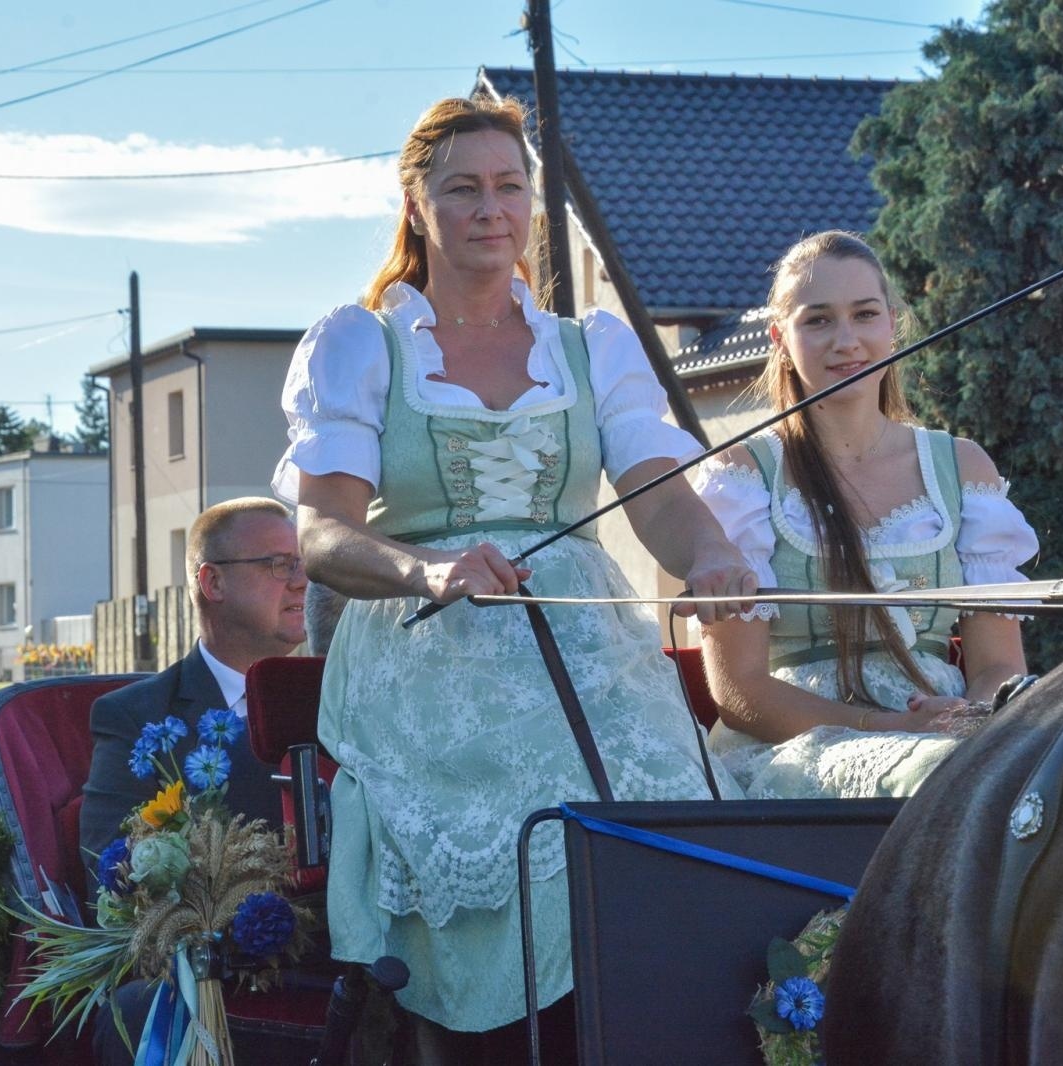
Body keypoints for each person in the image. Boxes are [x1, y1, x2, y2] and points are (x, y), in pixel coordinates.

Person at [275, 94, 757, 1062]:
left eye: (508, 185)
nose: (490, 208)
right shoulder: (361, 343)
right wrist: (426, 568)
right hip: (424, 648)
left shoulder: (590, 346)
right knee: (534, 830)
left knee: (659, 794)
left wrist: (706, 551)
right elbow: (320, 533)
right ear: (416, 206)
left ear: (533, 201)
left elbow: (657, 492)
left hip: (587, 645)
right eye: (462, 190)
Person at [694, 230, 1038, 799]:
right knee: (935, 781)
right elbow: (741, 690)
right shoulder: (745, 475)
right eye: (819, 320)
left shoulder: (962, 468)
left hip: (945, 729)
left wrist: (973, 720)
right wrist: (896, 728)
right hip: (796, 745)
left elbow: (998, 665)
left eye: (864, 314)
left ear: (893, 323)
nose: (846, 340)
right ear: (780, 337)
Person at [80, 497, 307, 1066]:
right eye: (279, 564)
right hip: (212, 973)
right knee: (136, 1011)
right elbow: (110, 869)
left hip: (344, 958)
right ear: (213, 582)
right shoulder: (137, 715)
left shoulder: (339, 697)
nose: (302, 581)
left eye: (304, 564)